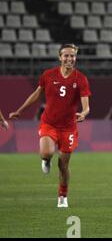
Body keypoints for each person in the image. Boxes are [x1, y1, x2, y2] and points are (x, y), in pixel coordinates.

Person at [9, 44, 90, 208]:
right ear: (60, 57)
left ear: (75, 58)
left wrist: (84, 113)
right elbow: (36, 95)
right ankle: (46, 160)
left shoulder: (80, 79)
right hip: (49, 123)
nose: (69, 59)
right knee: (46, 153)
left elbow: (86, 105)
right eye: (66, 56)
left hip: (68, 128)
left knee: (63, 165)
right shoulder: (48, 75)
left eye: (72, 56)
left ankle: (62, 195)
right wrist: (20, 110)